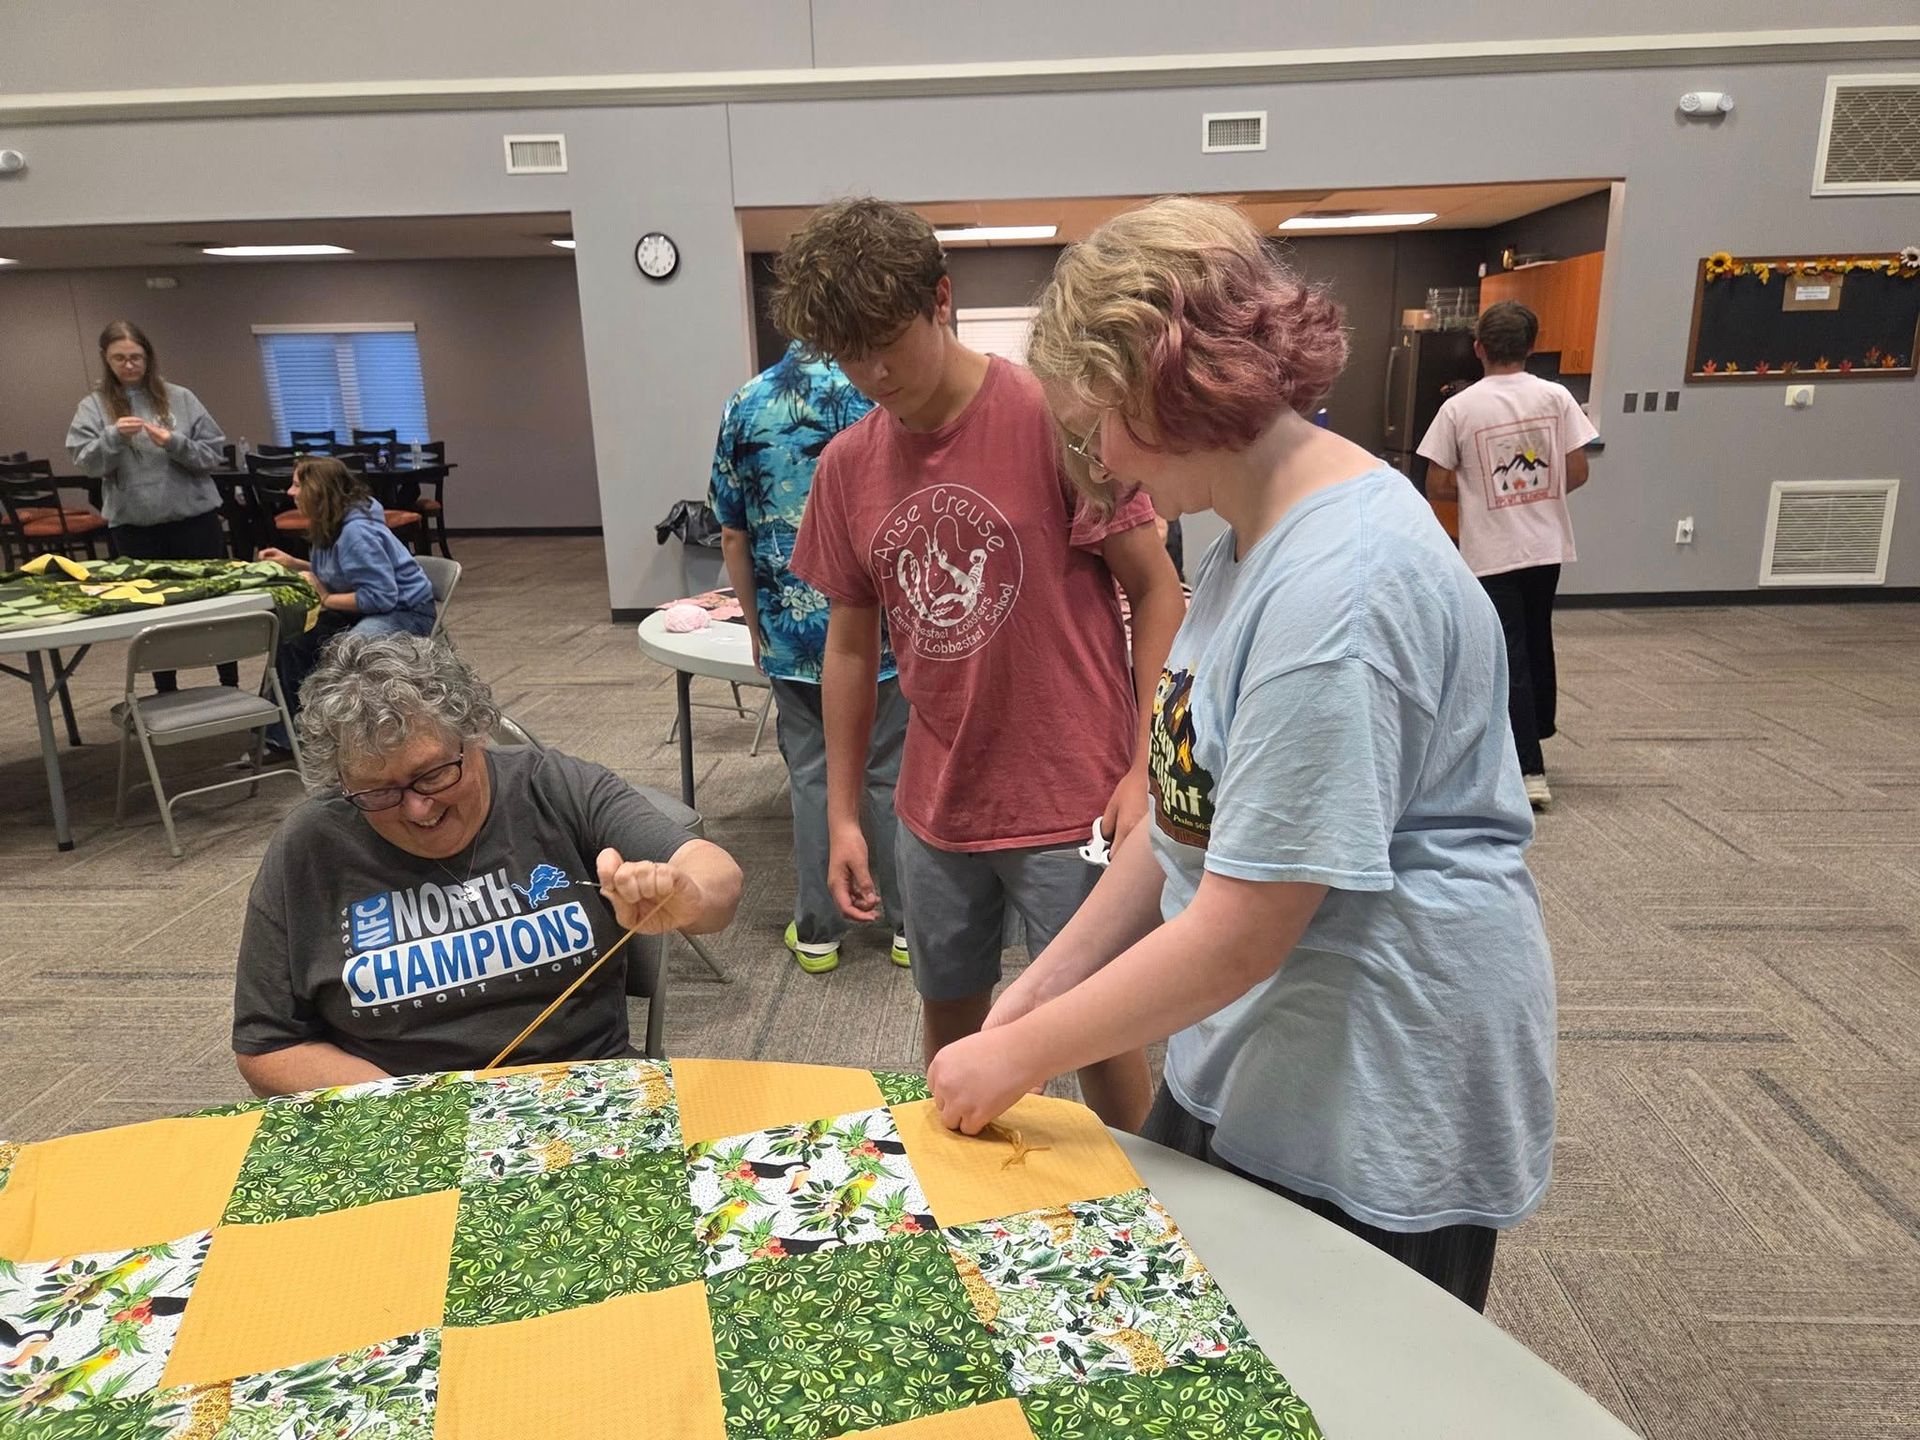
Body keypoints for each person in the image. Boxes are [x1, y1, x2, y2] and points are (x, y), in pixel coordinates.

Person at [926, 198, 1555, 1312]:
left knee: (1346, 1388)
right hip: (1273, 1060)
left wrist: (1017, 1055)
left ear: (1171, 385)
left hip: (1376, 1098)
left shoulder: (1337, 594)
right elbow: (1179, 823)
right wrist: (1035, 997)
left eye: (1100, 425)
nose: (1102, 462)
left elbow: (1238, 933)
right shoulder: (1244, 533)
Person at [776, 197, 1185, 1132]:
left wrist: (1142, 771)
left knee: (1094, 1034)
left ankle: (1153, 1219)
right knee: (953, 1028)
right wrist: (842, 812)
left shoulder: (1050, 415)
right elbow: (848, 644)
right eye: (848, 354)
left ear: (941, 300)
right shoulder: (848, 465)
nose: (874, 373)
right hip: (937, 805)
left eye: (887, 341)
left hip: (1070, 798)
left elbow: (1159, 592)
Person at [232, 633, 743, 1095]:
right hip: (405, 1120)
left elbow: (717, 875)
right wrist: (413, 1108)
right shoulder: (311, 844)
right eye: (379, 789)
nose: (417, 807)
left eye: (433, 774)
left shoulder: (553, 789)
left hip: (586, 1097)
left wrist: (688, 898)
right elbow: (267, 1046)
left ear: (474, 734)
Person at [710, 338, 910, 975]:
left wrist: (755, 623)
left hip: (795, 635)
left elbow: (734, 529)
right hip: (883, 628)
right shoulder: (885, 391)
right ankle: (909, 927)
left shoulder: (748, 401)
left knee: (814, 774)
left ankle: (819, 931)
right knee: (888, 773)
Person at [1418, 300, 1598, 809]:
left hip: (1491, 551)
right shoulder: (1557, 397)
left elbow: (1437, 483)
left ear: (1478, 348)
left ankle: (1528, 769)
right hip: (1546, 546)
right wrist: (1534, 495)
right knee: (1537, 641)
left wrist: (1483, 497)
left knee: (1507, 654)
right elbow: (1579, 471)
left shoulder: (1460, 407)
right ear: (1532, 346)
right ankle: (1535, 735)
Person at [66, 320, 235, 691]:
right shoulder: (93, 408)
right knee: (153, 614)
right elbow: (88, 464)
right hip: (135, 527)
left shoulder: (181, 398)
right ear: (106, 360)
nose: (129, 366)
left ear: (148, 358)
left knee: (214, 604)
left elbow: (212, 456)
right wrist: (112, 437)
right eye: (120, 359)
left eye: (136, 357)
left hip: (194, 520)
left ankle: (229, 683)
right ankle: (165, 689)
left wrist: (173, 442)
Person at [257, 456, 438, 756]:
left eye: (297, 485)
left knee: (347, 649)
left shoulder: (356, 533)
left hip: (406, 612)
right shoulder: (329, 523)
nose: (290, 492)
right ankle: (285, 735)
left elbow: (381, 597)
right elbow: (343, 573)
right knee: (292, 637)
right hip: (366, 607)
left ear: (319, 490)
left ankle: (353, 740)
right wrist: (294, 564)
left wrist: (326, 598)